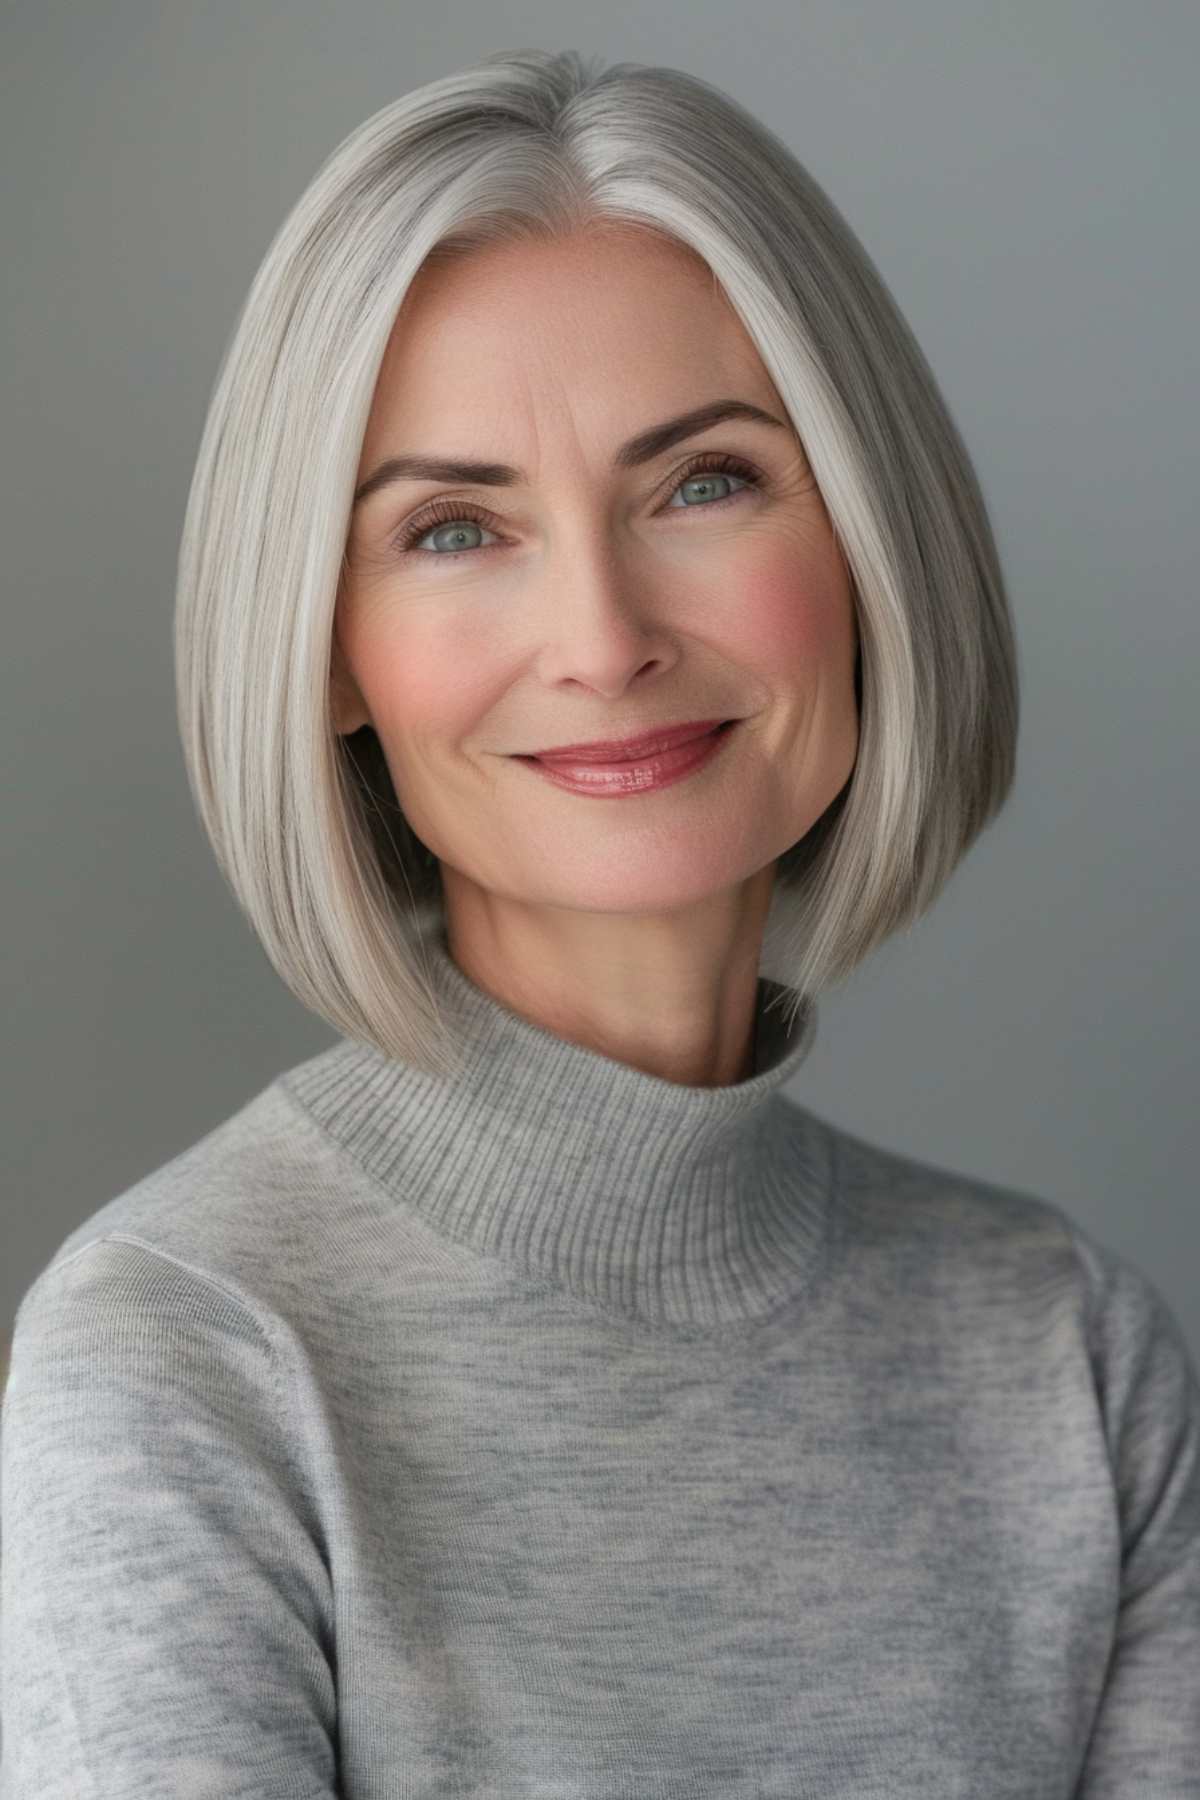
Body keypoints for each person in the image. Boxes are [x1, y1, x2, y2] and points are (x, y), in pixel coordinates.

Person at [2, 46, 1196, 1799]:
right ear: (329, 653)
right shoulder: (189, 1345)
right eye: (454, 527)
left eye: (703, 481)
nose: (603, 635)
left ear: (871, 542)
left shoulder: (1064, 1354)